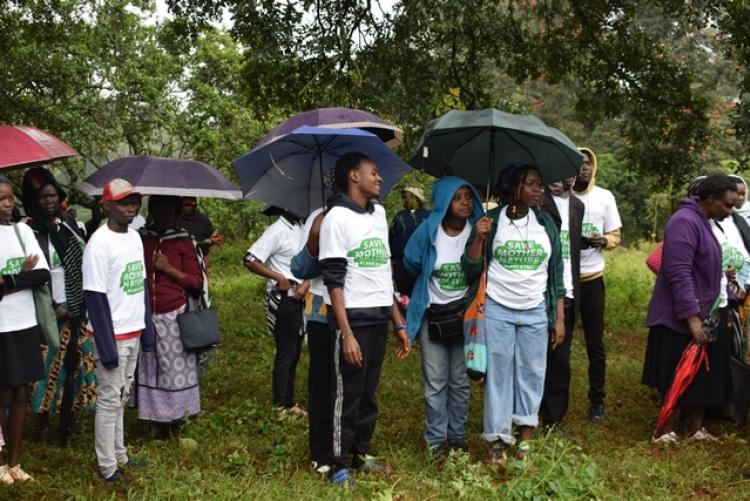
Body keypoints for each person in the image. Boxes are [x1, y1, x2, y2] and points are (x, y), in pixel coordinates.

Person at [462, 164, 565, 464]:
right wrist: (479, 237)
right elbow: (469, 268)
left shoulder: (545, 223)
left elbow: (556, 273)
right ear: (515, 187)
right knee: (499, 375)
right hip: (497, 309)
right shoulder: (490, 221)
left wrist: (558, 317)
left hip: (534, 310)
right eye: (531, 184)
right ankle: (497, 440)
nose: (538, 190)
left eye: (540, 185)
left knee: (533, 373)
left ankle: (526, 438)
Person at [319, 152, 411, 485]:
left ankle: (361, 453)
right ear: (353, 177)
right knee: (347, 393)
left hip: (378, 317)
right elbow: (334, 281)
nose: (379, 178)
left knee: (369, 392)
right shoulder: (336, 218)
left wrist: (398, 321)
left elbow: (384, 272)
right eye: (373, 173)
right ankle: (338, 463)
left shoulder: (379, 214)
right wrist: (346, 334)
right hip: (352, 321)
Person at [643, 173, 737, 443]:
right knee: (676, 374)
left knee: (703, 375)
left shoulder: (706, 221)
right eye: (727, 205)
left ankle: (695, 429)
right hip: (680, 316)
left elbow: (710, 271)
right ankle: (664, 431)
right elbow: (679, 273)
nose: (730, 211)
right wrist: (692, 319)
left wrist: (724, 303)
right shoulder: (683, 222)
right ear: (710, 199)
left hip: (709, 312)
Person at [403, 177, 483, 460]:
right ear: (444, 201)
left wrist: (482, 237)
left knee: (460, 381)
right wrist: (426, 265)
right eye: (457, 197)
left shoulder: (477, 230)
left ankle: (458, 438)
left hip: (465, 318)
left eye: (468, 196)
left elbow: (478, 270)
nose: (465, 202)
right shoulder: (429, 229)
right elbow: (410, 259)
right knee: (436, 381)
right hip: (432, 315)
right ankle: (436, 441)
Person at [82, 178, 155, 483]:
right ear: (107, 205)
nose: (131, 207)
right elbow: (95, 297)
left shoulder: (135, 238)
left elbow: (139, 286)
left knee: (122, 397)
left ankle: (121, 455)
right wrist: (107, 346)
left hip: (133, 330)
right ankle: (108, 466)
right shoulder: (99, 244)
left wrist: (147, 328)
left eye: (134, 201)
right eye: (124, 202)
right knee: (110, 400)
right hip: (112, 336)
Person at [21, 167, 97, 446]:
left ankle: (71, 416)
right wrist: (55, 307)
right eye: (42, 197)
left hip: (77, 304)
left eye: (52, 194)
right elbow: (32, 271)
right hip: (48, 306)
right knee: (47, 363)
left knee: (74, 362)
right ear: (33, 201)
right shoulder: (29, 230)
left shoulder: (69, 224)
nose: (49, 200)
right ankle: (42, 421)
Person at [136, 195, 205, 439]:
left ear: (177, 214)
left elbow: (197, 282)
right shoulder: (140, 238)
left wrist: (168, 268)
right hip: (145, 315)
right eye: (157, 209)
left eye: (168, 210)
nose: (161, 214)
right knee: (151, 370)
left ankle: (176, 421)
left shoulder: (184, 241)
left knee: (175, 372)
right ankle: (155, 424)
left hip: (175, 315)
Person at [0, 174, 50, 484]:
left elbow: (42, 273)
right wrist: (22, 275)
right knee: (3, 393)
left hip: (25, 321)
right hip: (1, 326)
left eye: (9, 197)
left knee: (21, 392)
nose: (7, 204)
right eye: (1, 199)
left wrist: (9, 280)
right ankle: (0, 463)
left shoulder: (22, 231)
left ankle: (15, 463)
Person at [572, 147, 622, 421]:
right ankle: (554, 400)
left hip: (593, 279)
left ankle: (597, 401)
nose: (584, 168)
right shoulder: (557, 197)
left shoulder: (604, 197)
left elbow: (615, 235)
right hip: (565, 280)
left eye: (589, 163)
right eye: (579, 163)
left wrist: (604, 241)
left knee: (595, 344)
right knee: (558, 343)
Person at [244, 207, 307, 414]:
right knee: (286, 352)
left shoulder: (301, 227)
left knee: (295, 351)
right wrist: (278, 277)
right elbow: (250, 259)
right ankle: (280, 404)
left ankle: (289, 401)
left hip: (300, 297)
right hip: (284, 299)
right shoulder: (277, 230)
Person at [540, 176, 585, 426]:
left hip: (568, 291)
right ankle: (527, 412)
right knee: (535, 357)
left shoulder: (577, 206)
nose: (568, 175)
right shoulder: (539, 203)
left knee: (560, 360)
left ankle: (553, 417)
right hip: (540, 292)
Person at [389, 187, 430, 296]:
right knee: (405, 296)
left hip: (422, 264)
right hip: (401, 265)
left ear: (416, 199)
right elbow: (391, 238)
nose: (404, 200)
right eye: (403, 197)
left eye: (406, 197)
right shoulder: (399, 216)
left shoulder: (428, 216)